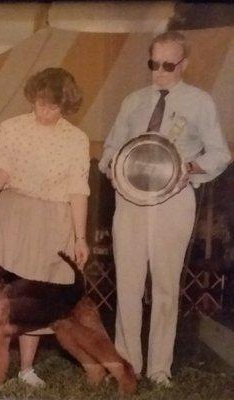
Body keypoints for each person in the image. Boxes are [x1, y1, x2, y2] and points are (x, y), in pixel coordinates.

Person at [98, 31, 231, 387]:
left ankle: (159, 369)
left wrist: (189, 168)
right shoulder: (132, 101)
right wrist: (113, 169)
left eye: (167, 65)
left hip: (174, 201)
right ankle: (126, 364)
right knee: (126, 284)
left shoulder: (200, 102)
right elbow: (110, 149)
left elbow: (220, 153)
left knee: (166, 287)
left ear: (183, 64)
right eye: (153, 64)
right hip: (129, 203)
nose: (158, 72)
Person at [0, 67, 90, 387]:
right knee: (1, 300)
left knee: (35, 298)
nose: (45, 111)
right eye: (40, 104)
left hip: (53, 220)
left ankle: (26, 369)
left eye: (53, 106)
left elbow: (79, 190)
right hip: (12, 215)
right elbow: (0, 170)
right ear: (32, 99)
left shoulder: (77, 139)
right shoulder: (12, 128)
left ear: (65, 105)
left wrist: (81, 238)